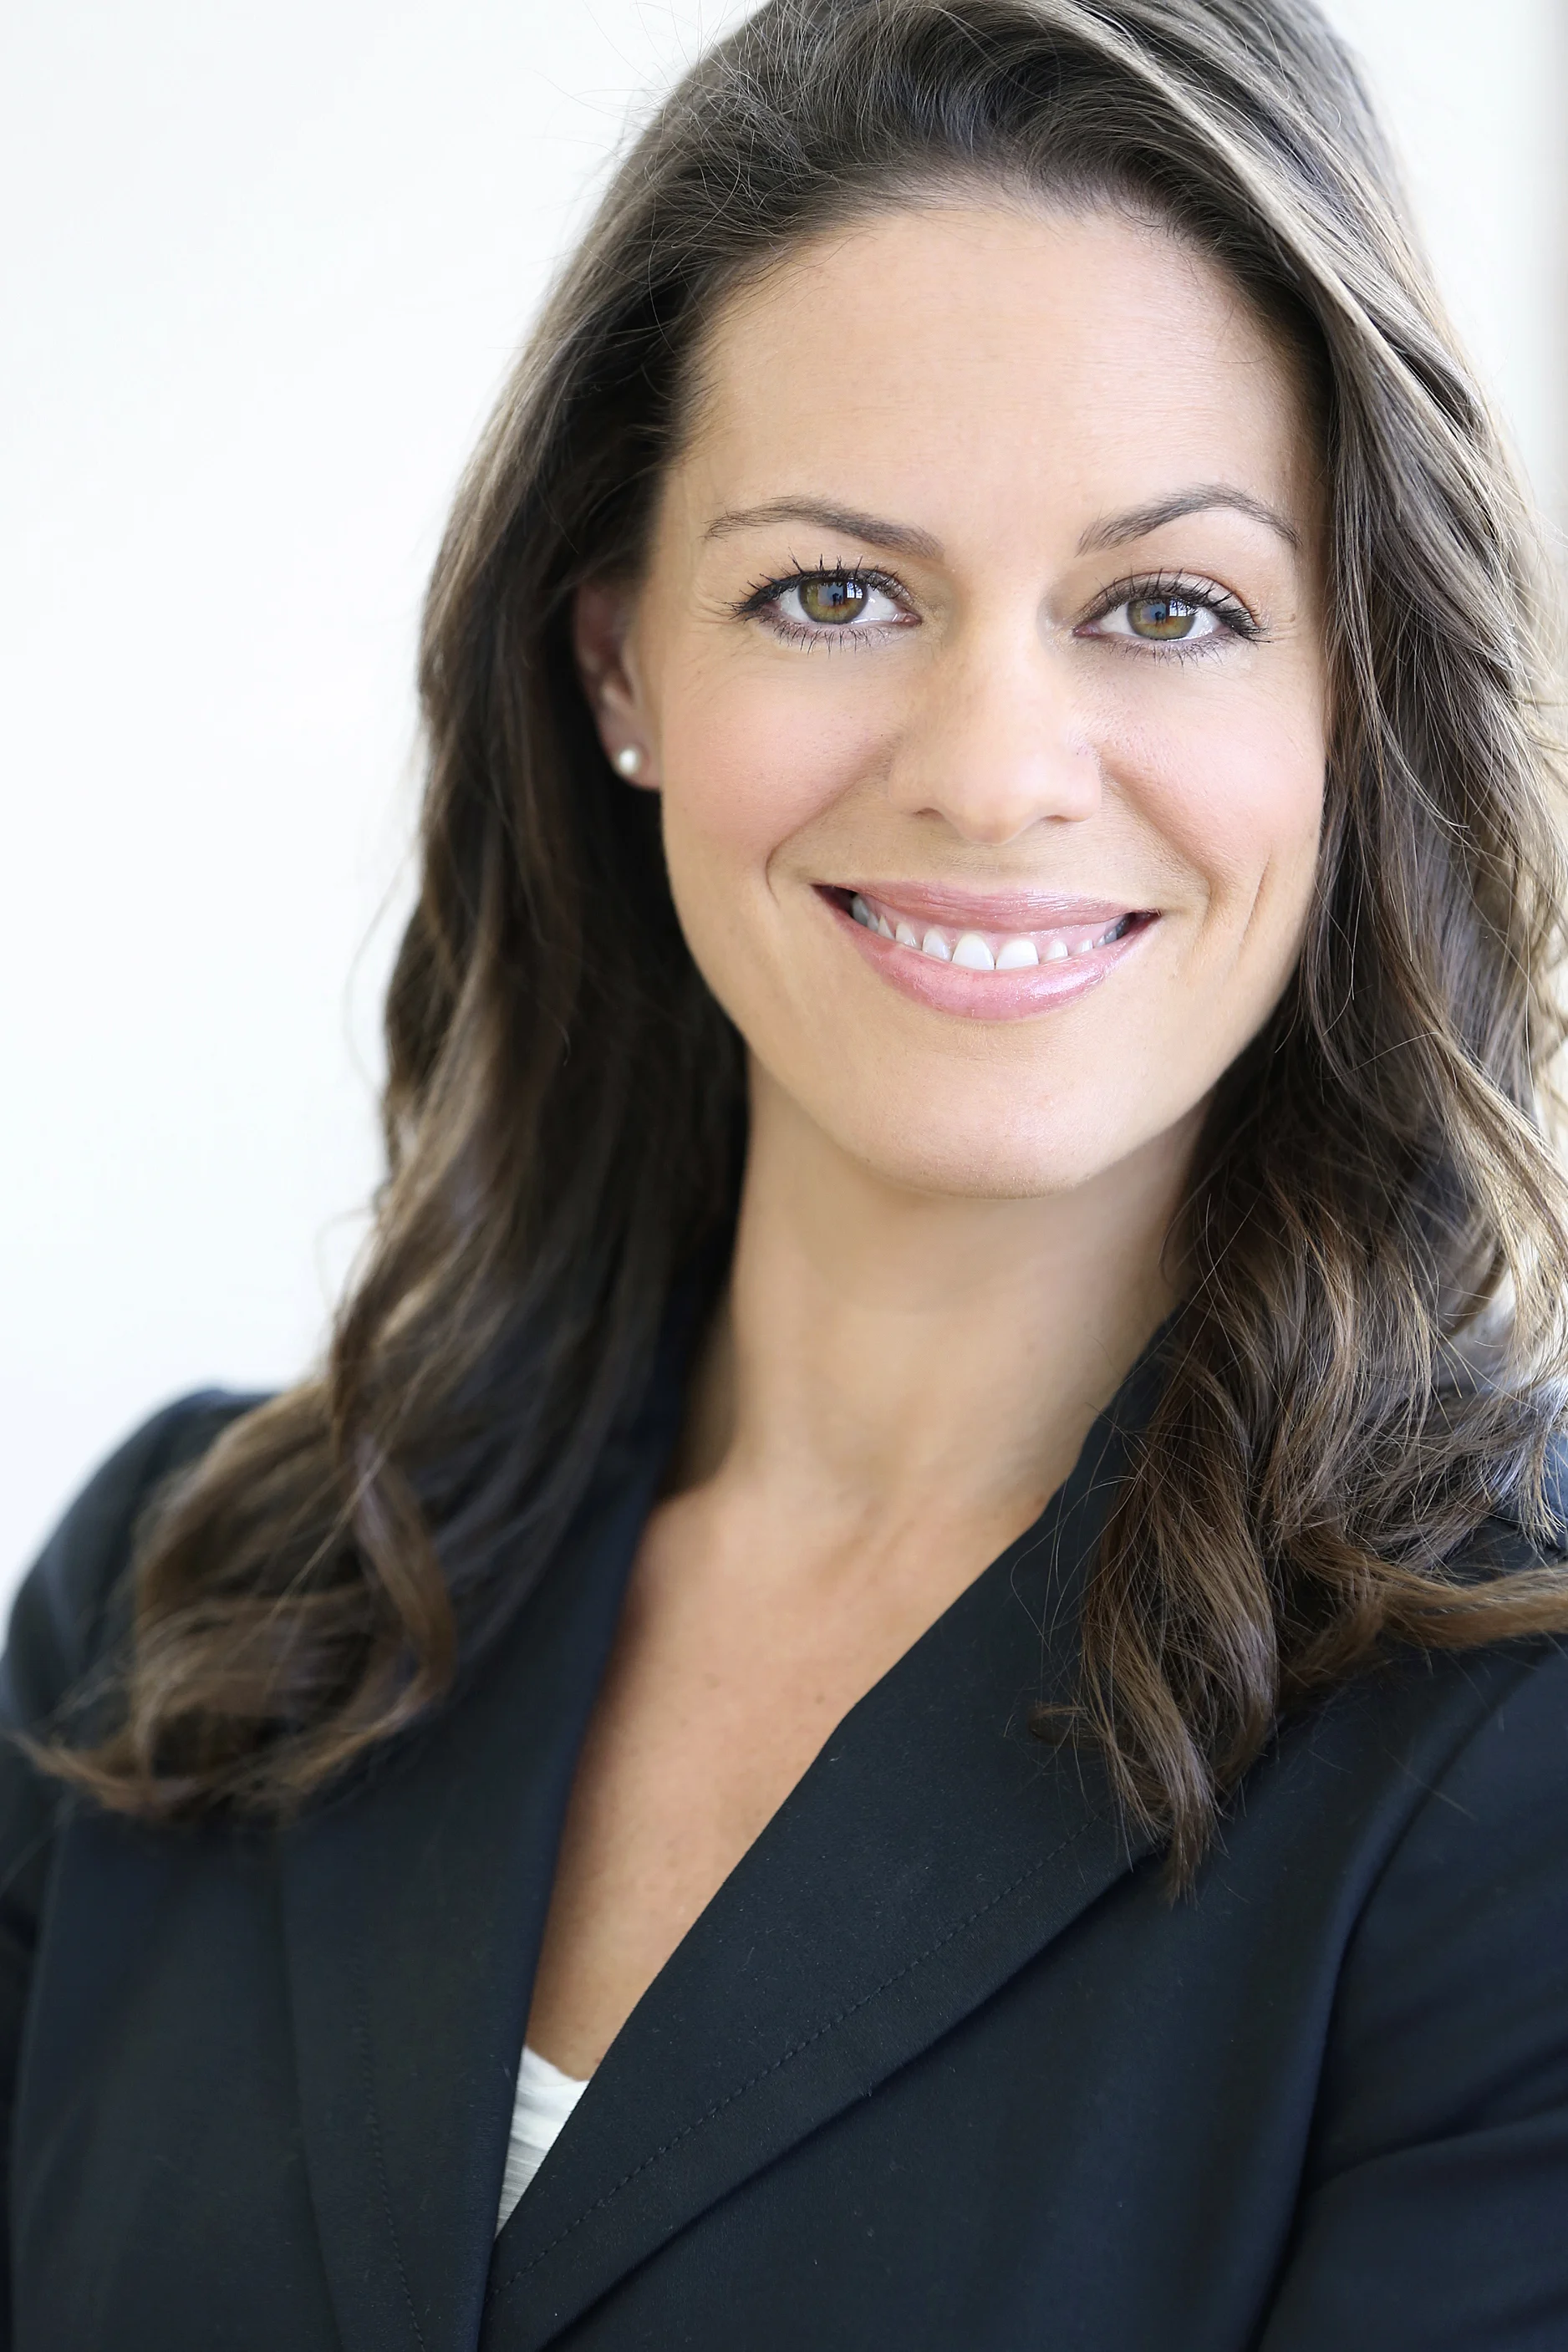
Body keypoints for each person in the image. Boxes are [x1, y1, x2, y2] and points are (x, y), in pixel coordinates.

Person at [5, 0, 1568, 2344]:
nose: (996, 768)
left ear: (1355, 694)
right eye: (833, 590)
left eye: (1169, 607)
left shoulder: (1509, 1755)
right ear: (622, 661)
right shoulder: (177, 1603)